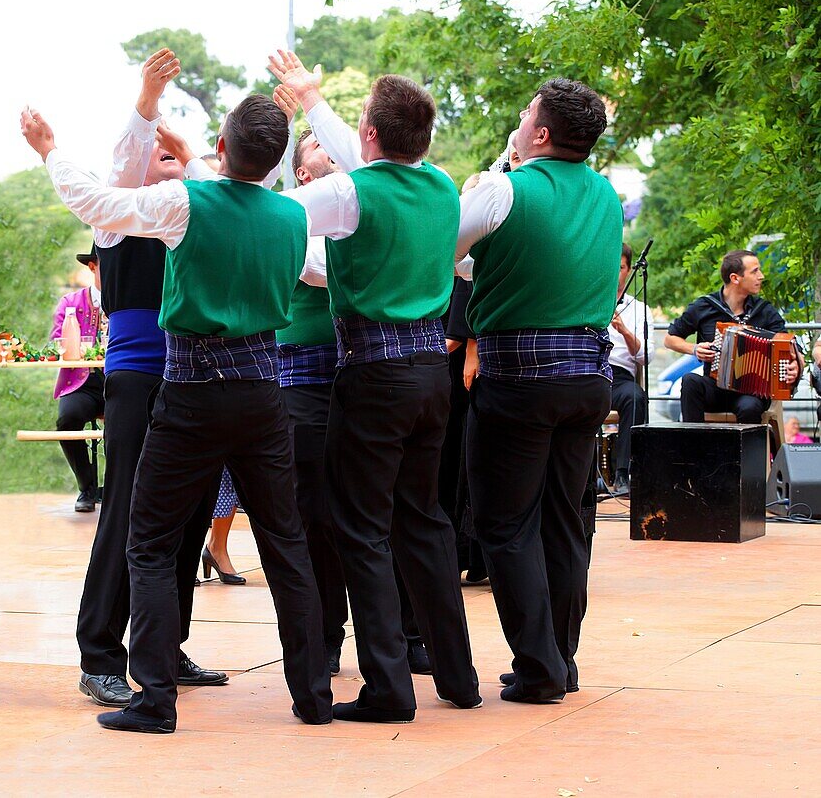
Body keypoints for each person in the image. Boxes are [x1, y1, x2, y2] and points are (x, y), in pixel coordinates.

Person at [21, 92, 332, 735]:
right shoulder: (293, 215)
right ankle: (312, 695)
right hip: (260, 392)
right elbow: (319, 273)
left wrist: (52, 151)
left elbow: (94, 199)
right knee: (284, 543)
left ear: (219, 148)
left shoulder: (186, 203)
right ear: (279, 161)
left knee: (152, 542)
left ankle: (156, 697)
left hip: (190, 389)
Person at [269, 54, 480, 725]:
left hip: (373, 373)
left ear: (367, 138)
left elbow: (271, 220)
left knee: (359, 528)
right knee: (423, 520)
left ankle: (389, 686)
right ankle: (458, 675)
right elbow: (365, 158)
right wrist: (313, 103)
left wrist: (299, 111)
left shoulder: (348, 195)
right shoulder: (443, 187)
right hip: (430, 376)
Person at [456, 78, 623, 704]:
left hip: (519, 379)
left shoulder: (505, 187)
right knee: (565, 522)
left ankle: (539, 668)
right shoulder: (606, 194)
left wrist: (498, 170)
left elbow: (448, 251)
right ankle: (560, 657)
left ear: (542, 133)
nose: (520, 121)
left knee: (504, 523)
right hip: (587, 380)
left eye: (527, 114)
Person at [75, 50, 227, 709]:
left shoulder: (195, 219)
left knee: (190, 515)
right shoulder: (114, 223)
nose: (170, 165)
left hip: (196, 383)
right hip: (138, 382)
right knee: (129, 515)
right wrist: (146, 100)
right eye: (159, 159)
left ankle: (164, 646)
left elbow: (237, 185)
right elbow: (121, 164)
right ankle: (100, 655)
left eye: (178, 160)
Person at [664, 250, 801, 425]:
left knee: (749, 407)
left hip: (751, 393)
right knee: (690, 381)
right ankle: (694, 448)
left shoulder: (764, 311)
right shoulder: (704, 306)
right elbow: (669, 339)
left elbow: (793, 350)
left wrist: (794, 366)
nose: (761, 276)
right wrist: (695, 349)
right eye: (755, 271)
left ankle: (747, 453)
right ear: (735, 278)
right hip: (716, 388)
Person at [50, 248, 104, 512]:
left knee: (132, 421)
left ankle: (121, 489)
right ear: (92, 267)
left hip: (121, 381)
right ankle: (87, 487)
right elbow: (55, 343)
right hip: (82, 382)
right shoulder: (70, 302)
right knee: (67, 420)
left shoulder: (129, 303)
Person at [607, 242, 654, 496]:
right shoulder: (585, 301)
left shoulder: (639, 310)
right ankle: (588, 475)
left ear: (628, 270)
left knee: (636, 397)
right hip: (592, 370)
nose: (615, 272)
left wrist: (624, 331)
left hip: (620, 375)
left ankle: (623, 473)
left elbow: (646, 357)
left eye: (621, 267)